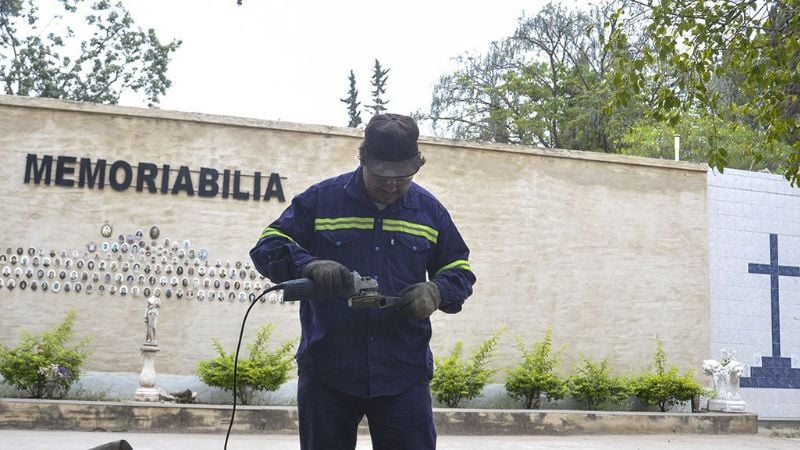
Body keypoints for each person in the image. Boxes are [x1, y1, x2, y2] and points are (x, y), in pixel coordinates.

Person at [250, 113, 476, 450]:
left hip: (402, 373)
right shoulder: (321, 201)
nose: (391, 185)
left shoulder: (430, 212)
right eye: (382, 176)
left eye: (402, 177)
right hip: (328, 371)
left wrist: (438, 290)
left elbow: (459, 269)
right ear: (362, 159)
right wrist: (308, 264)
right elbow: (267, 245)